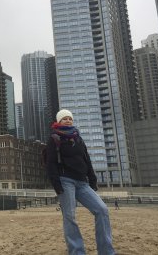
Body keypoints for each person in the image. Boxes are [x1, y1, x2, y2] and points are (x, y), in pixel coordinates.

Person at [46, 109, 115, 255]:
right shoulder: (54, 138)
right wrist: (56, 185)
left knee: (102, 210)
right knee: (70, 216)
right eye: (64, 118)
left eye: (70, 118)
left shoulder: (78, 138)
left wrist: (92, 179)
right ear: (59, 121)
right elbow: (50, 163)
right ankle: (77, 251)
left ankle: (106, 251)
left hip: (82, 182)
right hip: (65, 182)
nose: (68, 120)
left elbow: (86, 159)